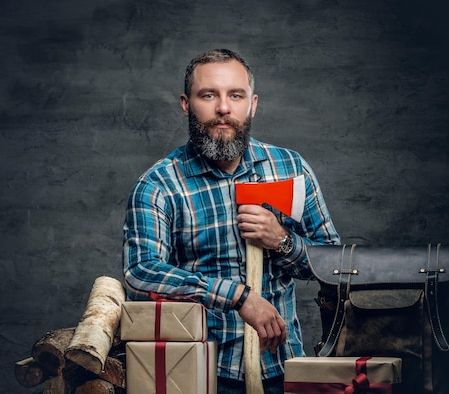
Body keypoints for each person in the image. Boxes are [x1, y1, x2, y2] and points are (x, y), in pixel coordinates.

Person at [122, 48, 340, 394]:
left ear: (252, 104)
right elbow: (140, 271)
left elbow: (335, 265)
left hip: (285, 370)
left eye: (235, 95)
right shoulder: (159, 185)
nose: (223, 108)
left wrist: (283, 241)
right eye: (208, 95)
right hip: (200, 371)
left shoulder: (290, 168)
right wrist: (239, 297)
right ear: (185, 104)